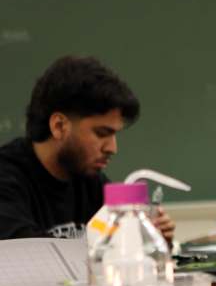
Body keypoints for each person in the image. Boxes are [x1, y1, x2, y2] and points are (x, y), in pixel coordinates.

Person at [0, 55, 175, 241]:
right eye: (101, 133)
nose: (112, 148)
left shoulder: (89, 180)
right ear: (59, 126)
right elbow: (26, 251)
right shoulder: (7, 179)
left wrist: (150, 238)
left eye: (114, 134)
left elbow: (111, 238)